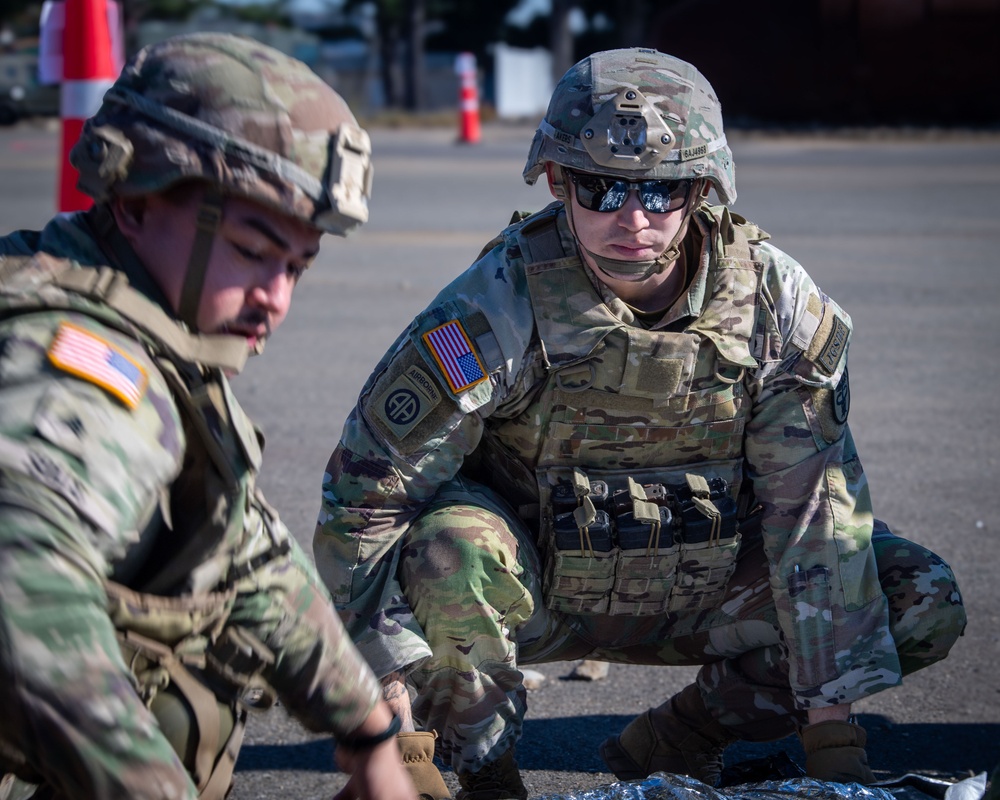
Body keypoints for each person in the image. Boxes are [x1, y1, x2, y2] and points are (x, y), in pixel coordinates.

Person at [313, 47, 966, 798]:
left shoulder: (773, 303)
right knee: (447, 551)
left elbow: (815, 517)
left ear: (703, 190)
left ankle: (686, 733)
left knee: (916, 595)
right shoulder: (497, 305)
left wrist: (836, 752)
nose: (632, 219)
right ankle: (489, 775)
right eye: (601, 188)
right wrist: (396, 714)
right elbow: (367, 499)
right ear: (557, 181)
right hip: (535, 589)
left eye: (661, 193)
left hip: (711, 585)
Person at [0, 33, 414, 800]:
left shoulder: (137, 319)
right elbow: (19, 589)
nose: (277, 297)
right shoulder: (86, 374)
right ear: (135, 203)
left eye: (295, 266)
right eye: (253, 251)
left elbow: (246, 550)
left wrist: (367, 730)